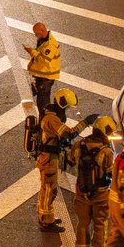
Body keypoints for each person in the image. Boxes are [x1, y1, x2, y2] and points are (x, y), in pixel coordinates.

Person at [70, 115, 116, 247]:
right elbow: (111, 173)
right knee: (100, 225)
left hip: (81, 193)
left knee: (82, 224)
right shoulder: (106, 152)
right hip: (101, 194)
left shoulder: (78, 145)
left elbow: (70, 161)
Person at [36, 87, 76, 233]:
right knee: (49, 191)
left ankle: (45, 216)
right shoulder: (52, 119)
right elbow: (68, 134)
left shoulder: (49, 115)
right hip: (48, 160)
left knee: (46, 189)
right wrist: (84, 123)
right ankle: (47, 222)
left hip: (47, 158)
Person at [23, 22, 60, 117]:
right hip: (43, 76)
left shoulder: (50, 44)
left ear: (42, 30)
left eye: (36, 33)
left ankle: (44, 125)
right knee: (41, 102)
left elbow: (43, 60)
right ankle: (43, 123)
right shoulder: (43, 40)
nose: (36, 36)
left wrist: (31, 52)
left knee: (43, 104)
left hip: (46, 77)